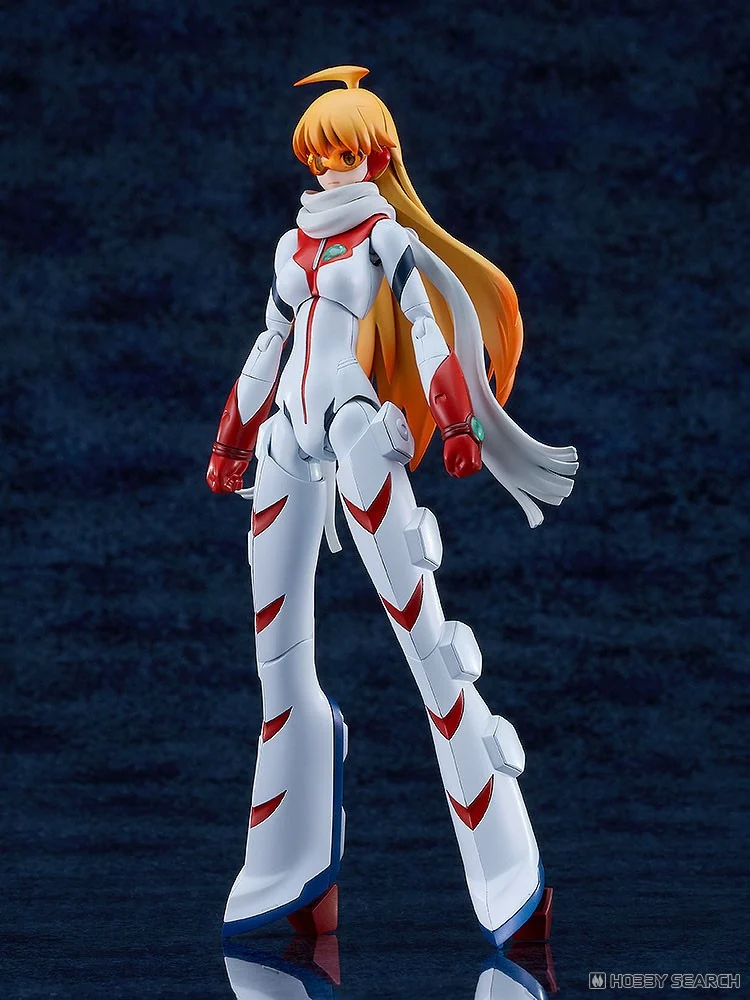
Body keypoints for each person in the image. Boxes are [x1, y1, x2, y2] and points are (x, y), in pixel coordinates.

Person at [207, 65, 578, 946]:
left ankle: (503, 854)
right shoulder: (291, 247)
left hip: (352, 425)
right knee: (275, 653)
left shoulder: (383, 237)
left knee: (426, 634)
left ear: (375, 158)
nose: (327, 167)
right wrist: (231, 437)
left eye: (343, 154)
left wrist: (458, 423)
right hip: (284, 436)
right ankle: (288, 857)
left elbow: (425, 329)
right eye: (317, 154)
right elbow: (268, 344)